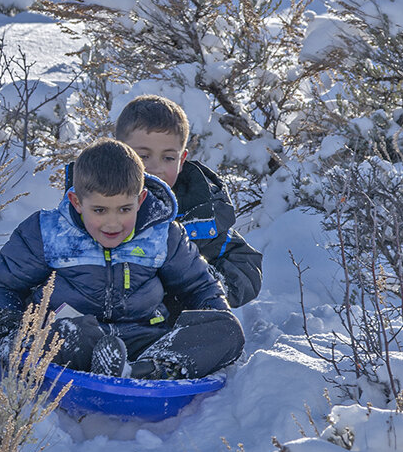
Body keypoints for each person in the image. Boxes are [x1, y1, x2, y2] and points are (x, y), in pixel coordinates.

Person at [0, 138, 244, 380]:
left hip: (145, 342)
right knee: (66, 333)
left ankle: (147, 370)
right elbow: (1, 284)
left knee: (228, 329)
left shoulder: (162, 234)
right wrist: (9, 328)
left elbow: (200, 286)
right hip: (73, 339)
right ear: (76, 201)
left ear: (140, 199)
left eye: (124, 209)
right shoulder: (48, 232)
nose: (113, 222)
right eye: (99, 210)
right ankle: (109, 364)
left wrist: (207, 324)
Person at [66, 95, 263, 310]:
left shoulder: (198, 209)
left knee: (222, 331)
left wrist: (199, 283)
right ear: (119, 151)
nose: (155, 168)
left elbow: (245, 266)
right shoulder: (89, 202)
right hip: (100, 325)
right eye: (142, 156)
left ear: (182, 160)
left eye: (168, 158)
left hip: (171, 331)